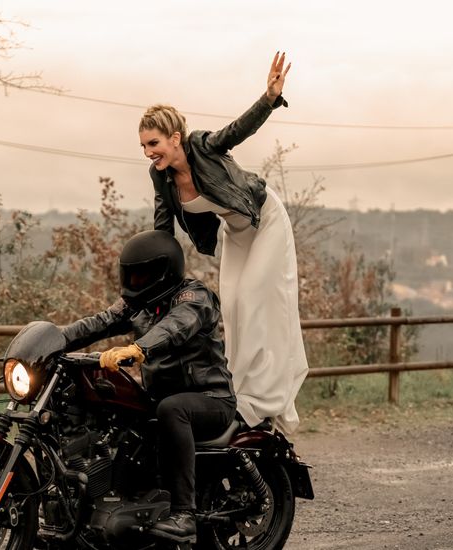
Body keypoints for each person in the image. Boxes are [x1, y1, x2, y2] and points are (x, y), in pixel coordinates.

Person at [137, 52, 308, 434]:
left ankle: (266, 397)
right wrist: (153, 277)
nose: (149, 152)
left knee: (250, 297)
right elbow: (163, 229)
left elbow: (237, 130)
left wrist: (269, 98)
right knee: (229, 305)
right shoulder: (160, 176)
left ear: (175, 138)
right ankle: (237, 393)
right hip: (237, 232)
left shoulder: (202, 146)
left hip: (265, 220)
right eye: (144, 147)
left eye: (154, 143)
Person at [61, 229, 236, 542]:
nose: (136, 282)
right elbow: (99, 322)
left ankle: (184, 514)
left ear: (164, 272)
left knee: (173, 409)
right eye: (132, 275)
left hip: (209, 399)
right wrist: (55, 338)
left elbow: (176, 326)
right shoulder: (138, 304)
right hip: (157, 399)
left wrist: (139, 348)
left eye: (143, 276)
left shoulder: (195, 297)